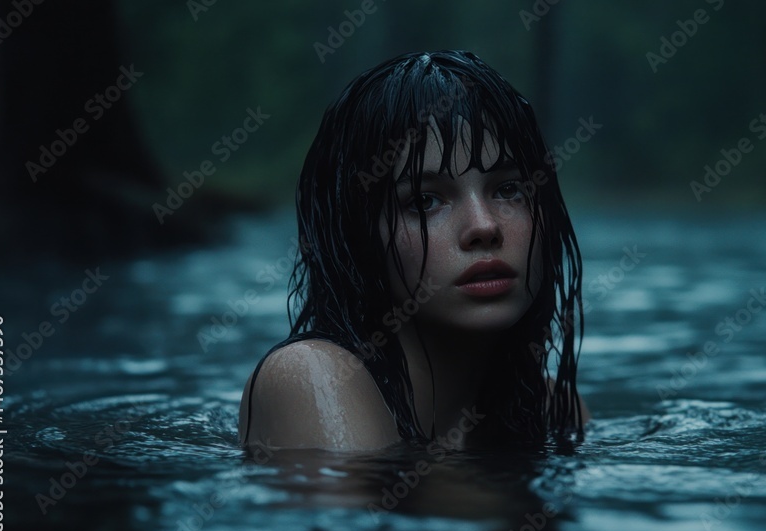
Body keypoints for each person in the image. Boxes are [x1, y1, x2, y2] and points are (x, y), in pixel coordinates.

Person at [238, 50, 588, 452]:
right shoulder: (312, 378)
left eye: (509, 190)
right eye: (424, 201)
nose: (484, 226)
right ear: (358, 239)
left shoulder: (555, 410)